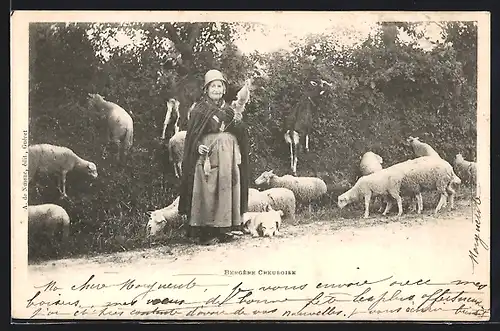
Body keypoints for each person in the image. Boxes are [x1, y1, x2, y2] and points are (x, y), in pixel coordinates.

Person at [178, 69, 250, 245]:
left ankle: (224, 229)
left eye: (220, 86)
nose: (217, 89)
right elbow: (192, 136)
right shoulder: (200, 110)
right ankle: (206, 232)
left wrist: (238, 122)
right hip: (208, 158)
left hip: (229, 158)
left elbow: (240, 131)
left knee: (226, 190)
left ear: (224, 89)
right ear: (206, 89)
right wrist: (197, 146)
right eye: (213, 86)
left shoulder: (228, 110)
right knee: (208, 192)